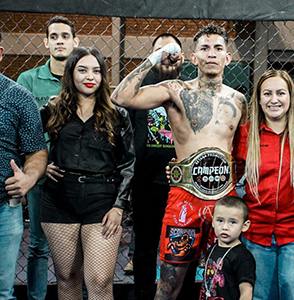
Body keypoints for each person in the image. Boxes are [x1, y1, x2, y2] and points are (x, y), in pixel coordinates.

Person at [111, 24, 247, 300]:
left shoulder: (239, 100)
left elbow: (241, 150)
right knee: (169, 284)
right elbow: (120, 97)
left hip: (223, 198)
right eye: (204, 48)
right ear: (193, 57)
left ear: (227, 58)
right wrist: (154, 58)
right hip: (184, 199)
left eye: (218, 48)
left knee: (221, 281)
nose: (211, 54)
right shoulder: (175, 90)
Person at [39, 47, 134, 300]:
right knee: (68, 279)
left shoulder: (117, 114)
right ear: (71, 73)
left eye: (96, 70)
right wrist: (41, 166)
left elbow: (128, 164)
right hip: (59, 200)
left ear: (103, 76)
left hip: (102, 201)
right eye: (82, 70)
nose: (89, 76)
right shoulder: (53, 108)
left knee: (100, 281)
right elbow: (29, 144)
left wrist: (118, 207)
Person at [232, 69, 294, 300]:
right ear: (258, 99)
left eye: (280, 93)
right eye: (267, 93)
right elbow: (228, 177)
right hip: (256, 233)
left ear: (291, 96)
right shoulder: (246, 134)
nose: (274, 99)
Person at [129, 32, 198, 299]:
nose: (168, 56)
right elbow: (118, 102)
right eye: (161, 51)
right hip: (146, 182)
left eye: (173, 51)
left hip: (183, 185)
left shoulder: (190, 90)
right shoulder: (140, 90)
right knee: (144, 250)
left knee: (184, 250)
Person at [16, 16, 79, 300]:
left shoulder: (85, 78)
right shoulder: (27, 80)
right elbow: (23, 130)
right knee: (38, 247)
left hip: (78, 176)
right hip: (42, 176)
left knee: (81, 244)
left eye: (65, 36)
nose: (59, 41)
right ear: (46, 42)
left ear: (75, 42)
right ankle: (36, 298)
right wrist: (43, 165)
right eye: (54, 36)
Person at [0, 28, 48, 300]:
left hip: (4, 208)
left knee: (3, 293)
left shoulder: (18, 96)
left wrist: (29, 178)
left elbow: (37, 152)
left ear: (0, 54)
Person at [199, 196, 255, 300]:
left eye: (232, 222)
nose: (225, 227)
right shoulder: (212, 249)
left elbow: (246, 292)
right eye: (220, 220)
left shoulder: (243, 257)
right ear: (213, 222)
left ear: (245, 226)